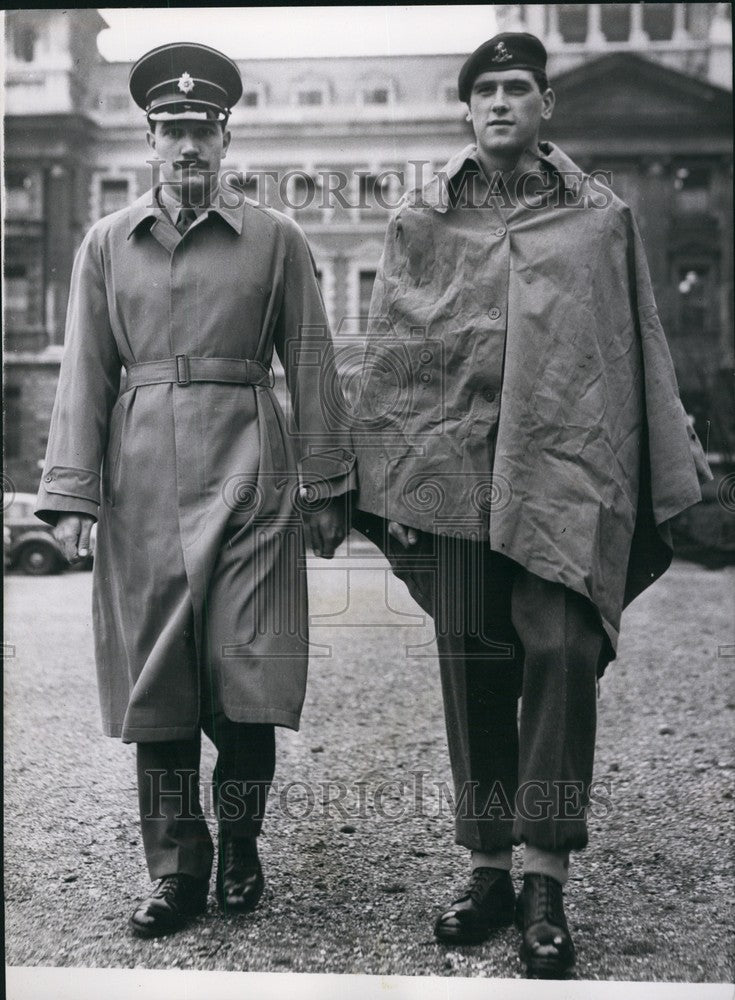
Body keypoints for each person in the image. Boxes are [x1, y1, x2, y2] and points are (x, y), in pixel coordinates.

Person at [350, 32, 711, 978]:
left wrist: (655, 471)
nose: (501, 102)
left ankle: (544, 876)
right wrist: (391, 475)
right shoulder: (423, 219)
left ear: (546, 105)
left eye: (518, 87)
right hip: (454, 480)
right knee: (472, 659)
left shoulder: (601, 219)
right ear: (466, 109)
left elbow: (634, 344)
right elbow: (395, 351)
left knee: (559, 652)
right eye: (486, 90)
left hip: (564, 478)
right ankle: (486, 870)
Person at [35, 42, 355, 939]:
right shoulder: (107, 244)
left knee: (246, 674)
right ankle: (177, 869)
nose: (187, 145)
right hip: (141, 485)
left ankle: (241, 843)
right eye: (171, 128)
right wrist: (73, 495)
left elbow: (313, 360)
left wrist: (328, 481)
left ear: (225, 139)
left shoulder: (275, 239)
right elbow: (84, 372)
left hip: (252, 474)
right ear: (148, 139)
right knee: (160, 681)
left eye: (202, 129)